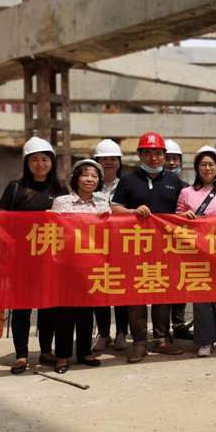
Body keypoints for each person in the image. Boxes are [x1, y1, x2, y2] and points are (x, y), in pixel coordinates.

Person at [0, 137, 68, 374]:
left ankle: (46, 351)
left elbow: (71, 220)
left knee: (49, 307)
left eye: (45, 159)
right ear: (27, 163)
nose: (40, 164)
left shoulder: (59, 190)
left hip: (50, 259)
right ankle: (21, 355)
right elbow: (1, 218)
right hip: (21, 259)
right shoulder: (16, 187)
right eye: (35, 160)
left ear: (52, 162)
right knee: (22, 308)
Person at [110, 132, 185, 363]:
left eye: (158, 153)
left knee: (163, 295)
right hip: (135, 248)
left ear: (164, 155)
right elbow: (115, 208)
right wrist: (132, 212)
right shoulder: (128, 181)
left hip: (166, 248)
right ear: (140, 155)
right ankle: (139, 343)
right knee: (136, 297)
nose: (154, 158)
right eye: (148, 153)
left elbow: (183, 210)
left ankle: (162, 340)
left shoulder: (175, 182)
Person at [51, 160, 111, 373]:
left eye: (94, 176)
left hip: (91, 266)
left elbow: (110, 233)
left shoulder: (103, 204)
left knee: (87, 312)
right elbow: (53, 230)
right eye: (85, 175)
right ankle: (62, 356)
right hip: (66, 267)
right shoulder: (61, 202)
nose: (89, 179)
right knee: (64, 313)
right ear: (76, 178)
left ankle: (85, 351)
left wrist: (107, 220)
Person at [176, 146, 216, 357]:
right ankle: (204, 341)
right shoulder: (186, 192)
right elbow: (175, 220)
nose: (207, 168)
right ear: (197, 168)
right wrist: (184, 216)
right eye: (203, 164)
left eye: (211, 164)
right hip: (195, 252)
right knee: (200, 297)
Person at [91, 139, 129, 352]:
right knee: (100, 290)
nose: (108, 163)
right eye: (103, 159)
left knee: (121, 289)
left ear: (119, 162)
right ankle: (104, 334)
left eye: (113, 159)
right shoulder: (88, 185)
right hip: (95, 246)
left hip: (121, 245)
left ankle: (122, 332)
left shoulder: (126, 185)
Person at [163, 139, 192, 341]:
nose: (172, 163)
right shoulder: (156, 185)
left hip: (181, 243)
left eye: (175, 159)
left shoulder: (186, 187)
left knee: (180, 285)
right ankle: (163, 329)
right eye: (168, 158)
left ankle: (179, 325)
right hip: (160, 243)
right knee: (163, 286)